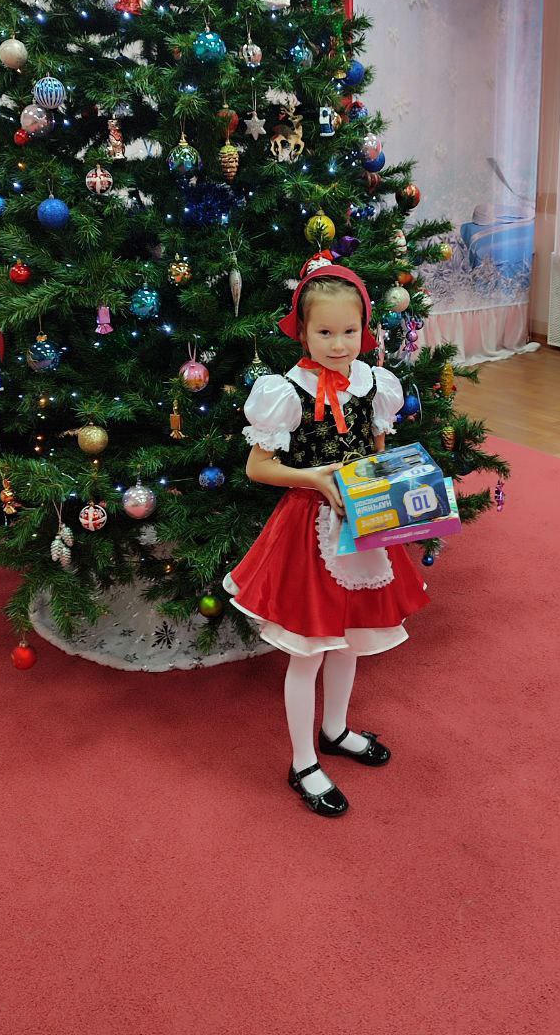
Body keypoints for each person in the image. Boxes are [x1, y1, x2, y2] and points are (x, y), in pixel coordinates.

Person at [222, 265, 430, 818]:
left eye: (349, 332)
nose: (339, 345)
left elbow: (377, 454)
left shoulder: (374, 383)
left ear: (365, 329)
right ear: (302, 332)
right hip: (308, 530)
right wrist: (313, 478)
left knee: (350, 638)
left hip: (362, 527)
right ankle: (303, 761)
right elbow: (258, 468)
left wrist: (396, 485)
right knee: (309, 651)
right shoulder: (286, 391)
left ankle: (335, 729)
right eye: (325, 332)